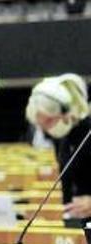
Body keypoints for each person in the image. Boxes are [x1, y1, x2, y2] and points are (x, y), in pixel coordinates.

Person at [25, 74, 91, 219]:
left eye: (49, 121)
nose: (46, 130)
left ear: (68, 113)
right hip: (77, 220)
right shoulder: (63, 137)